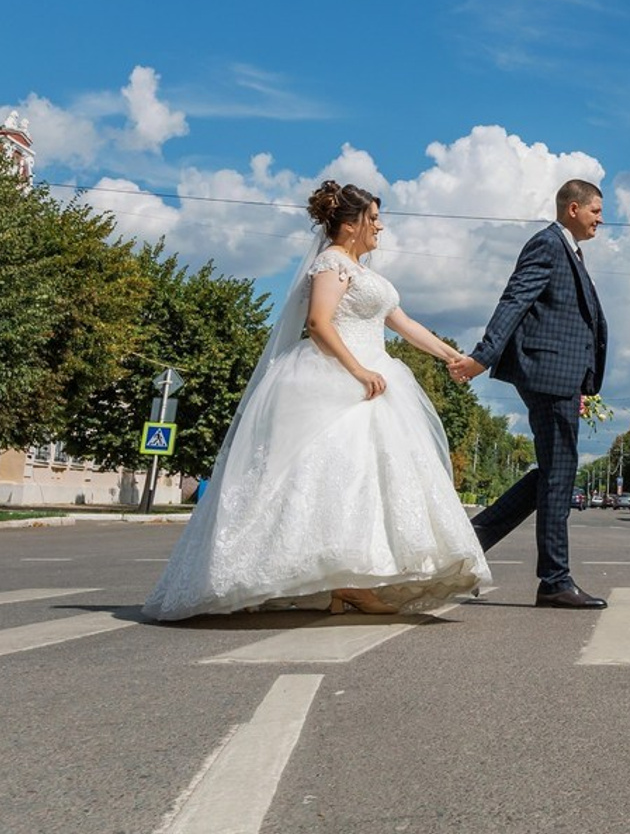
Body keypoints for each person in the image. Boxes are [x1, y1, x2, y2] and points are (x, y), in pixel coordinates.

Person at [143, 181, 490, 621]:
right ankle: (344, 584)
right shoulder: (331, 263)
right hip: (339, 377)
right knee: (331, 479)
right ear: (350, 225)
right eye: (374, 218)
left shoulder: (364, 272)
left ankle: (351, 583)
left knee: (366, 482)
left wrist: (452, 357)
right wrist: (358, 370)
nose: (380, 226)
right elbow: (319, 323)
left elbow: (401, 322)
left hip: (376, 378)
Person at [451, 179, 608, 609]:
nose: (601, 219)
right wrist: (483, 356)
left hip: (560, 377)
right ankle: (554, 580)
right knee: (559, 473)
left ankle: (474, 539)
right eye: (596, 210)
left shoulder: (568, 250)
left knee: (557, 474)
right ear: (572, 208)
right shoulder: (546, 245)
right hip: (547, 374)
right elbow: (515, 299)